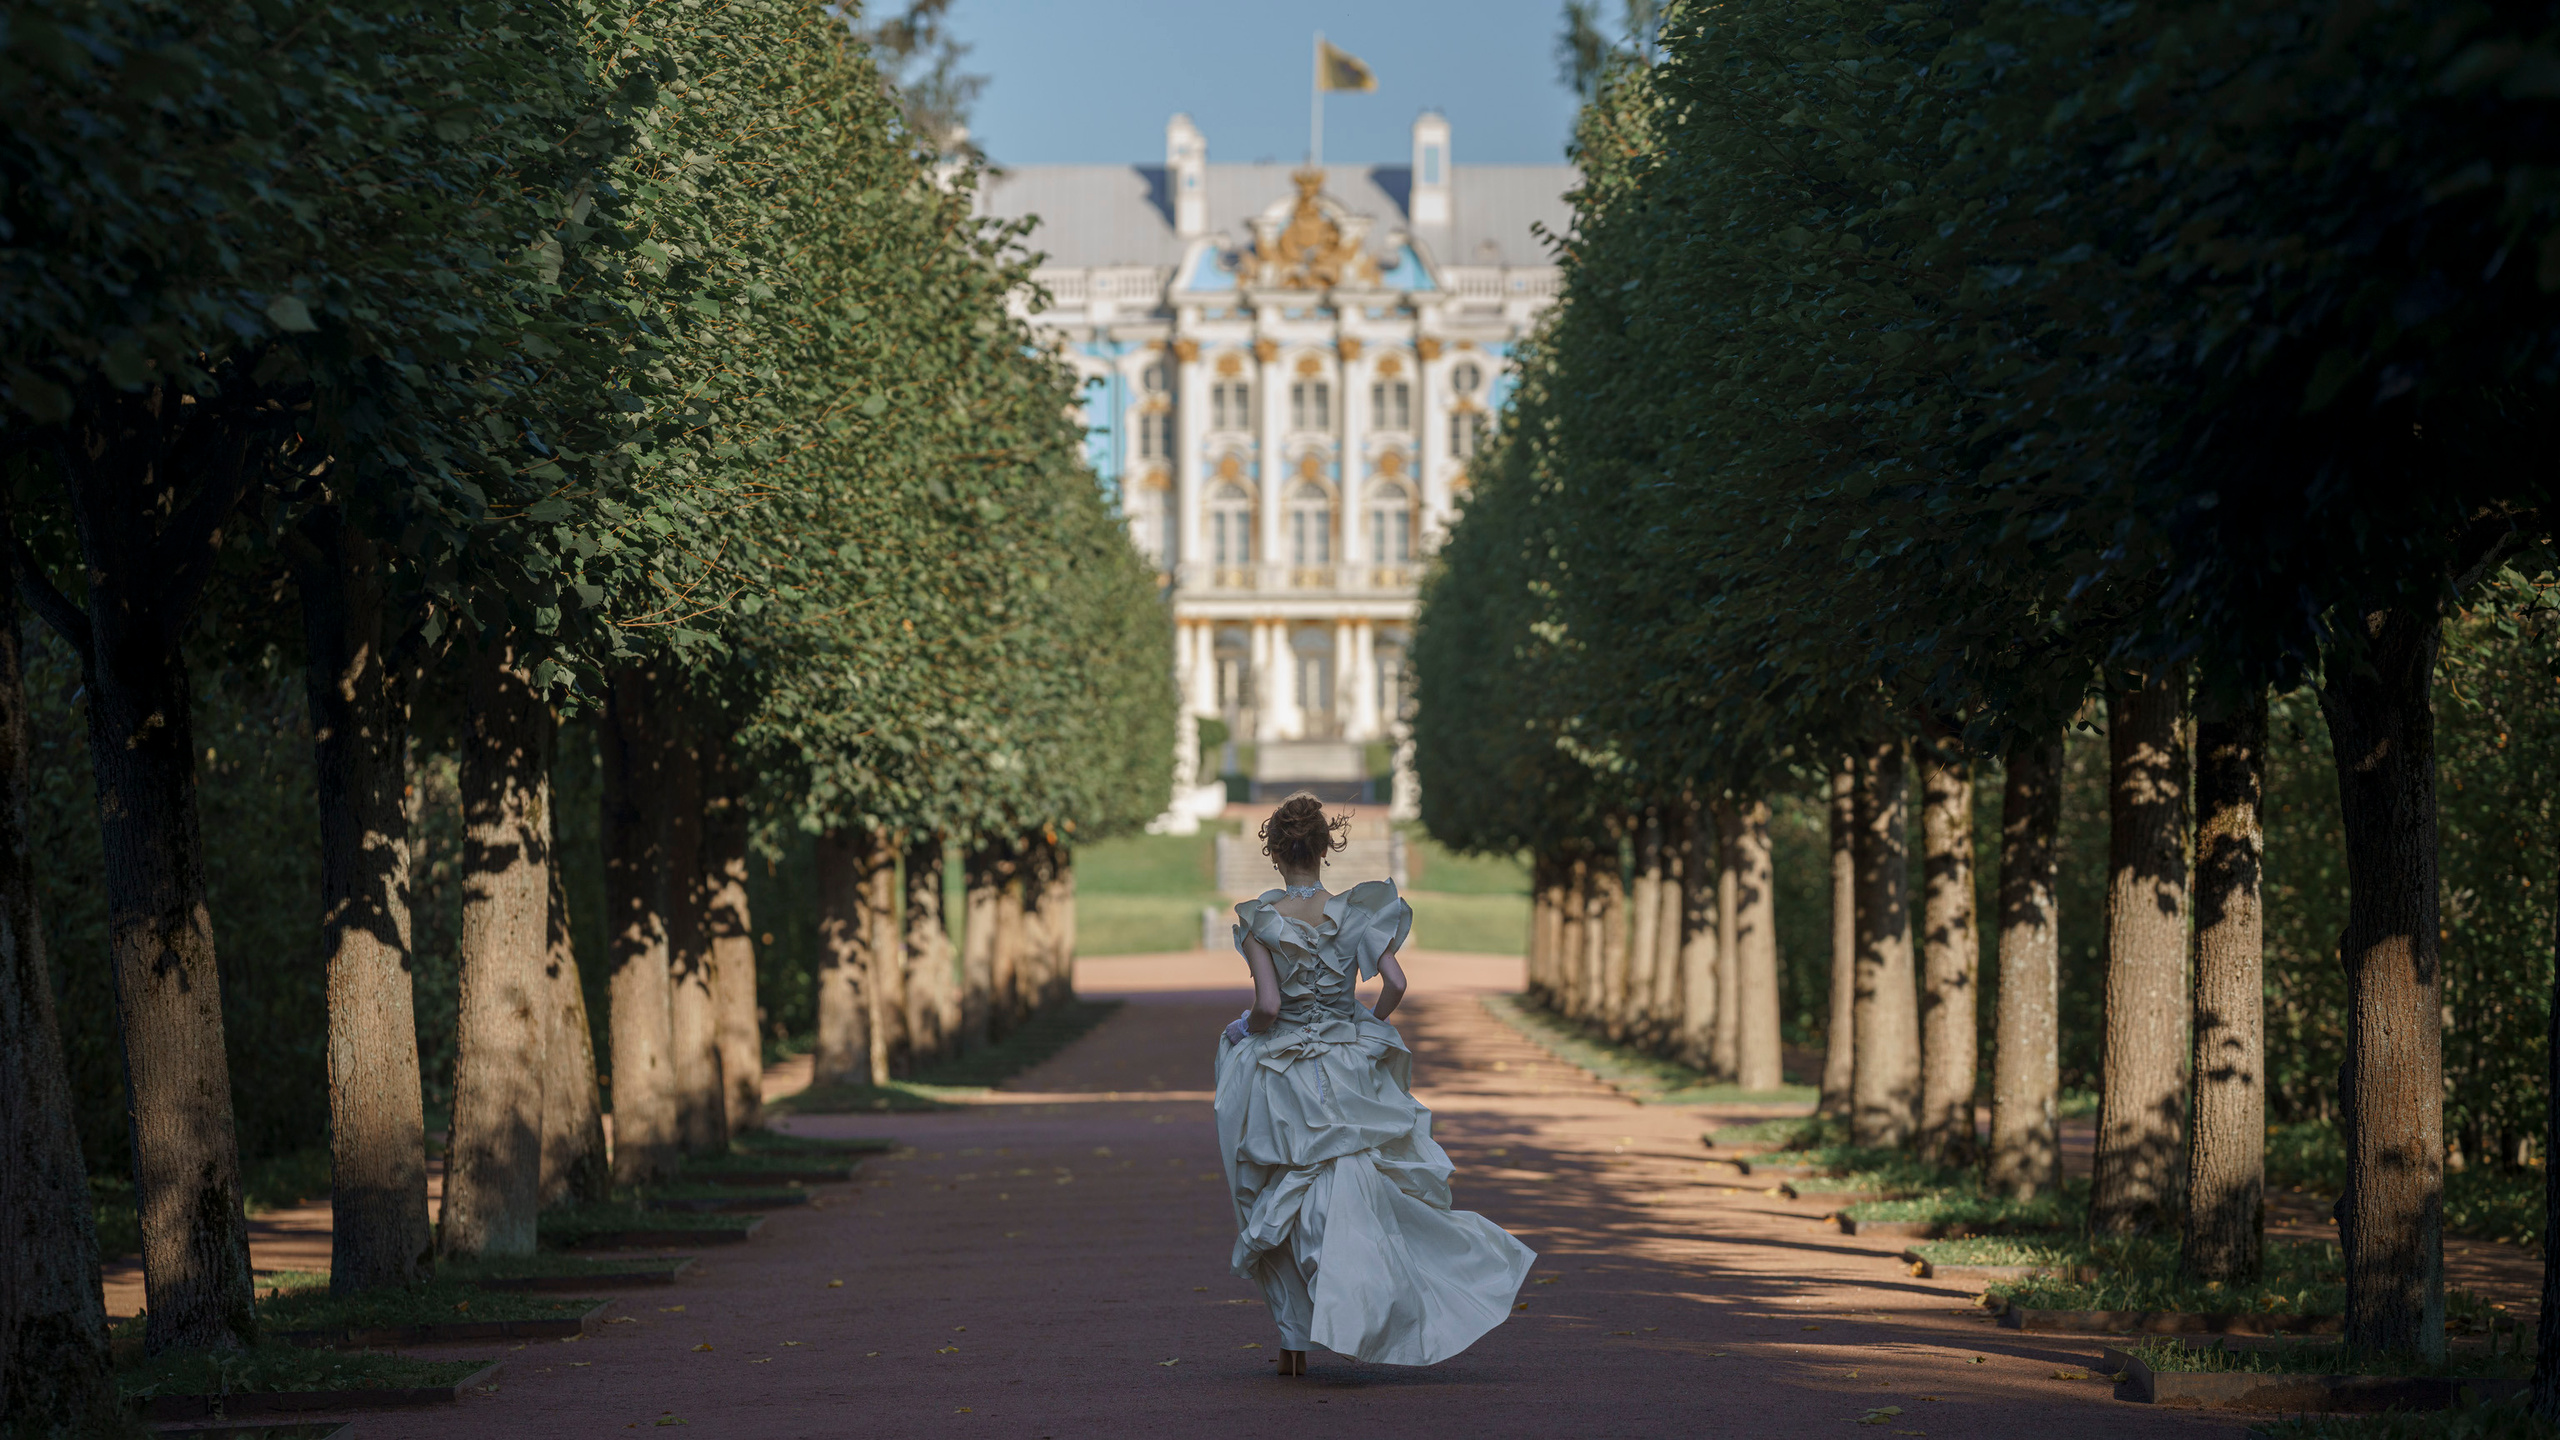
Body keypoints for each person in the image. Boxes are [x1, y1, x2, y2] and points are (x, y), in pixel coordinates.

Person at [1213, 793, 1535, 1376]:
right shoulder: (1359, 912)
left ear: (1275, 853)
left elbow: (1265, 1004)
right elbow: (1396, 982)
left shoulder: (1262, 918)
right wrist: (1366, 1023)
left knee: (1278, 1190)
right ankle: (1383, 1297)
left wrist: (1243, 1030)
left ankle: (1294, 1343)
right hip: (1348, 1064)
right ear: (1325, 848)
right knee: (1360, 1181)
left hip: (1284, 1074)